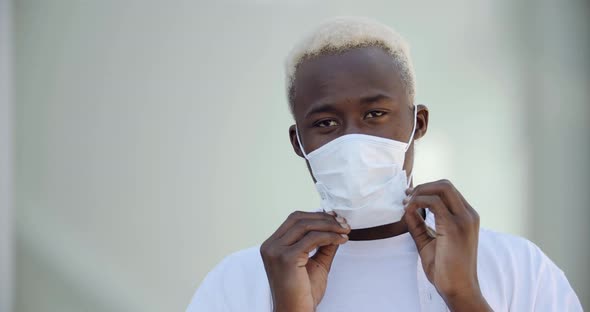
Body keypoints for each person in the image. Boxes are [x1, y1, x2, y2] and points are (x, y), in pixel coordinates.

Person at [186, 16, 582, 311]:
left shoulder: (518, 267)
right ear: (299, 143)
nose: (353, 140)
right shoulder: (240, 282)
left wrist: (464, 296)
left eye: (375, 114)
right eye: (325, 123)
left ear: (418, 123)